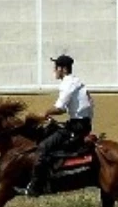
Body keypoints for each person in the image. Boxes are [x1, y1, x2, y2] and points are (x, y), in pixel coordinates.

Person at [25, 54, 95, 197]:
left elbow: (60, 108)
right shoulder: (78, 82)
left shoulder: (67, 84)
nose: (54, 71)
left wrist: (44, 114)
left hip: (77, 127)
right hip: (80, 123)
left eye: (55, 67)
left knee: (44, 147)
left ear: (62, 69)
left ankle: (37, 187)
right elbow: (90, 104)